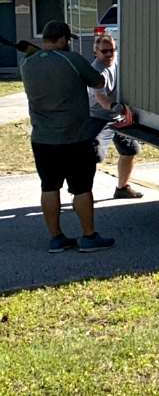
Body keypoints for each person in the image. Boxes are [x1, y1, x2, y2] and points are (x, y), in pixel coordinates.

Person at [20, 20, 115, 253]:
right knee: (82, 188)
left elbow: (44, 63)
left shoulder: (27, 63)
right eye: (68, 40)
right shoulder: (72, 60)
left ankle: (56, 238)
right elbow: (99, 81)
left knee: (49, 187)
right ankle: (89, 236)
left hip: (43, 139)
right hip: (76, 138)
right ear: (62, 39)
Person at [88, 33, 142, 199]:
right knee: (92, 154)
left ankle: (122, 188)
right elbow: (101, 99)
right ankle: (82, 195)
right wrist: (115, 107)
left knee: (130, 150)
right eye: (105, 51)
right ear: (96, 51)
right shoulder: (95, 70)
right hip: (98, 116)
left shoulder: (118, 61)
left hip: (118, 116)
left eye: (113, 50)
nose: (110, 54)